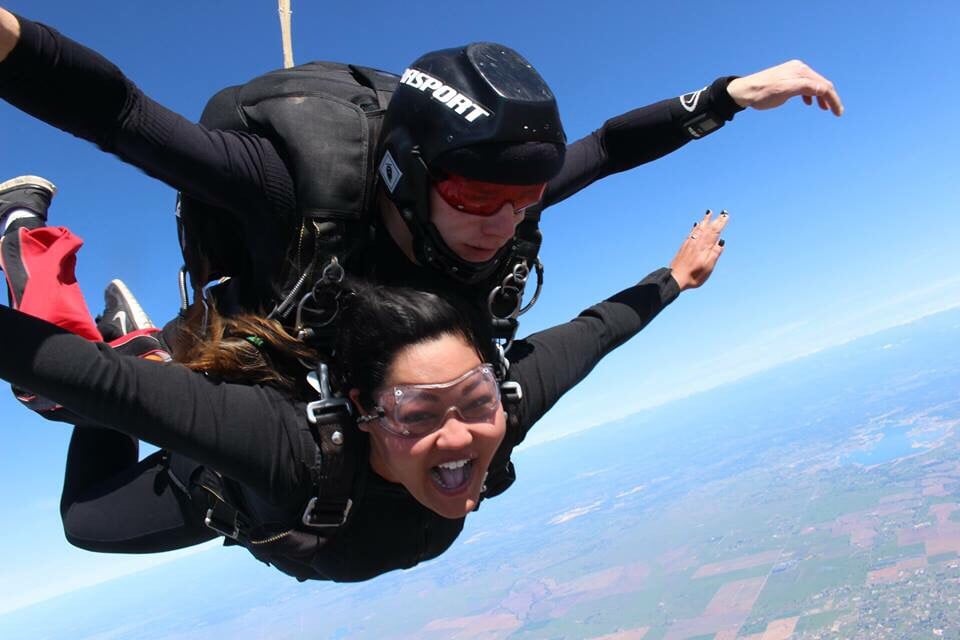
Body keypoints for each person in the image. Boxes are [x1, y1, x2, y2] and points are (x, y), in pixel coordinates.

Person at [0, 174, 727, 581]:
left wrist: (675, 279)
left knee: (112, 399)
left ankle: (151, 358)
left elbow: (595, 334)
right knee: (80, 483)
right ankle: (30, 251)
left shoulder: (495, 412)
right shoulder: (287, 449)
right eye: (417, 412)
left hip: (264, 481)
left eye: (473, 397)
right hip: (228, 474)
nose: (457, 433)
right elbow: (95, 385)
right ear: (363, 411)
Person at [0, 7, 841, 330]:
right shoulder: (283, 186)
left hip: (357, 345)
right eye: (478, 194)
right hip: (263, 327)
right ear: (404, 174)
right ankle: (26, 246)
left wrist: (734, 92)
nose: (506, 221)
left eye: (525, 200)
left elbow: (613, 149)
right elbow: (122, 115)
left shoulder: (506, 205)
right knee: (89, 484)